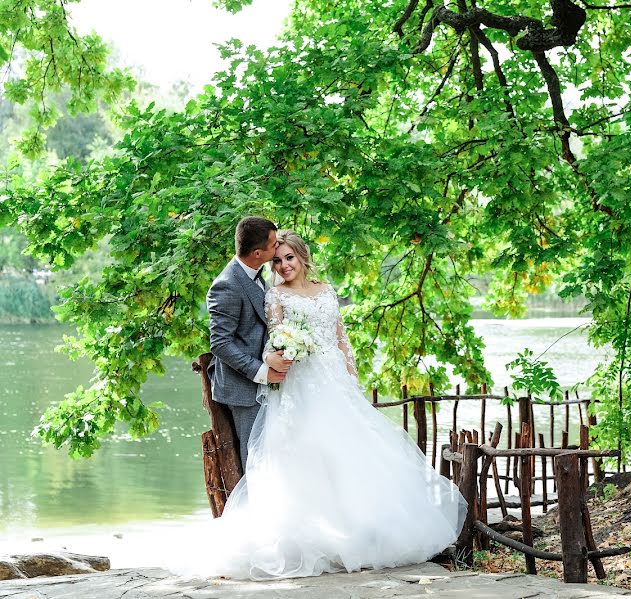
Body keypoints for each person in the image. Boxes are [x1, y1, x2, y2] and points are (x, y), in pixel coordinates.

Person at [178, 230, 466, 580]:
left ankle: (360, 531)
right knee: (304, 455)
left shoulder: (327, 291)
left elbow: (341, 339)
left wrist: (351, 379)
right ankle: (310, 538)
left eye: (289, 258)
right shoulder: (274, 296)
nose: (283, 265)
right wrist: (278, 357)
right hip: (299, 383)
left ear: (302, 257)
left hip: (334, 381)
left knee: (350, 453)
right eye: (278, 258)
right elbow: (270, 341)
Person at [206, 216, 291, 470]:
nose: (278, 248)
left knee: (272, 454)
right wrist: (263, 371)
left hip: (266, 382)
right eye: (274, 244)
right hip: (243, 388)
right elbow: (220, 344)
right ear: (257, 253)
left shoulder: (256, 273)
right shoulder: (226, 285)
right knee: (255, 459)